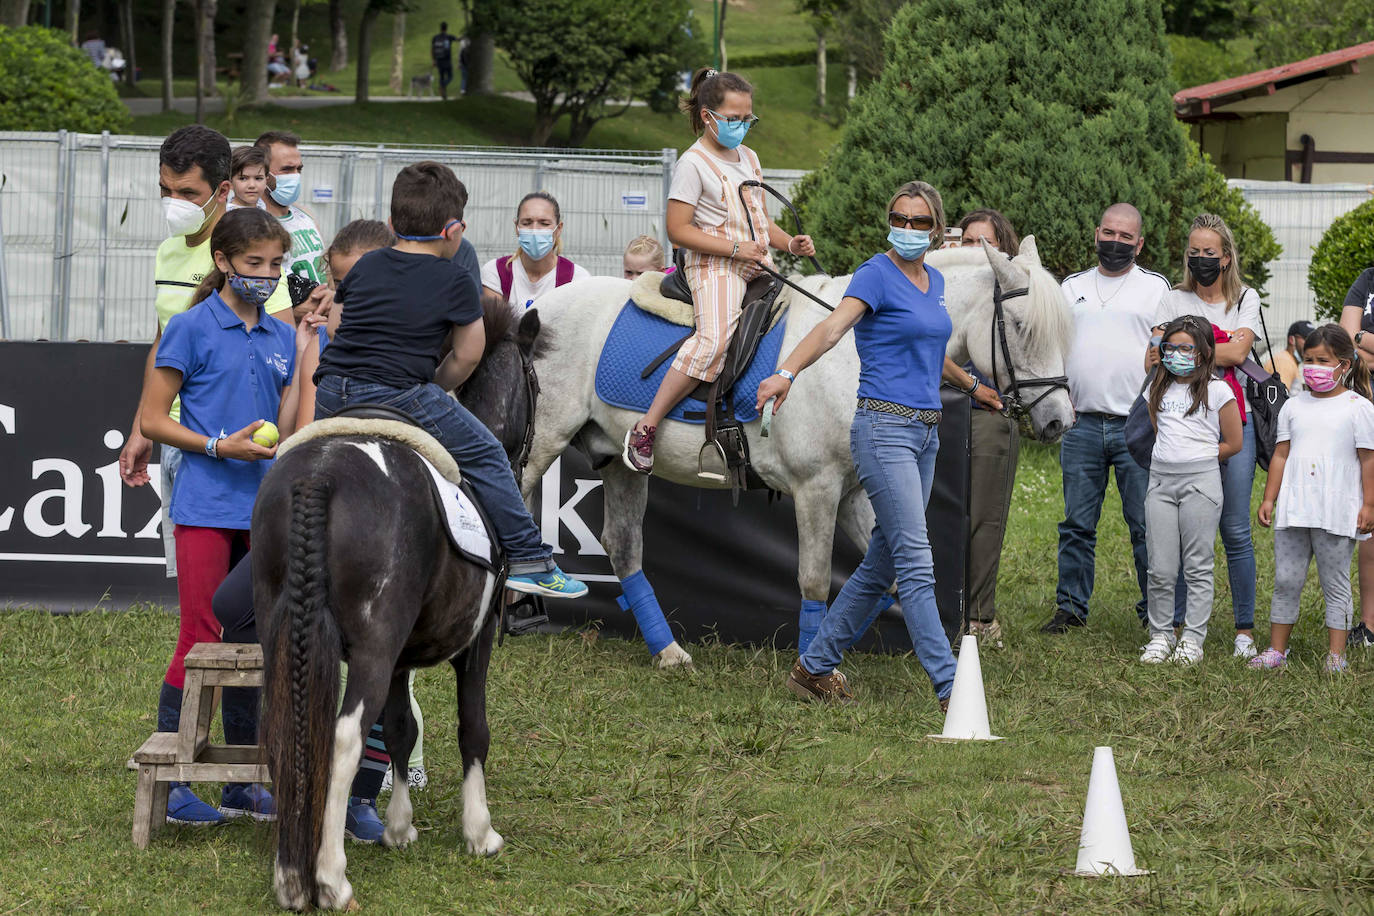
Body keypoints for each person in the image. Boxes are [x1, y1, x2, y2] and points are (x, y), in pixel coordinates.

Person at [314, 161, 588, 607]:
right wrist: (436, 386)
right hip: (401, 393)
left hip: (331, 390)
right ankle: (529, 560)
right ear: (454, 231)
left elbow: (335, 328)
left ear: (390, 224)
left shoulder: (364, 267)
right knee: (486, 456)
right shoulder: (457, 280)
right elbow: (468, 353)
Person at [759, 181, 978, 710]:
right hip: (882, 430)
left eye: (918, 222)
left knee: (883, 561)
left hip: (926, 433)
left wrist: (974, 387)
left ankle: (813, 668)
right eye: (898, 218)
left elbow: (928, 346)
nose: (906, 229)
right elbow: (832, 329)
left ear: (936, 229)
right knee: (914, 561)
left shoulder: (935, 282)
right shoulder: (875, 274)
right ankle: (951, 689)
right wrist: (787, 371)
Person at [140, 208, 312, 824]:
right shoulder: (189, 327)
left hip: (263, 510)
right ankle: (176, 779)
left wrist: (311, 344)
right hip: (205, 507)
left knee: (253, 638)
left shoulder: (282, 336)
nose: (265, 277)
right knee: (200, 635)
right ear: (223, 262)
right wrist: (218, 446)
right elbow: (153, 420)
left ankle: (240, 784)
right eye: (253, 264)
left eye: (275, 266)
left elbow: (291, 427)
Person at [117, 126, 293, 583]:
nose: (172, 202)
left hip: (242, 450)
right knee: (200, 602)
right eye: (165, 190)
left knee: (250, 600)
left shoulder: (252, 257)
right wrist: (142, 426)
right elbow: (162, 344)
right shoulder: (167, 251)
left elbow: (283, 350)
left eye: (186, 192)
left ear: (222, 190)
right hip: (180, 437)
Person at [623, 68, 816, 474]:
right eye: (734, 119)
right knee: (714, 340)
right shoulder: (692, 164)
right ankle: (647, 425)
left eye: (748, 119)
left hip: (754, 260)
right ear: (708, 116)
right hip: (711, 265)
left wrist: (789, 244)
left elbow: (761, 220)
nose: (742, 127)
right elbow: (677, 230)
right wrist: (733, 248)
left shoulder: (750, 157)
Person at [1042, 203, 1170, 634]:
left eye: (1125, 236)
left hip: (1136, 425)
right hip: (1081, 424)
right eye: (1109, 233)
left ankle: (1156, 611)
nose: (1116, 242)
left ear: (1140, 243)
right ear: (1097, 232)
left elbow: (1168, 354)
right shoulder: (1071, 286)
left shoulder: (1156, 289)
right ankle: (1071, 609)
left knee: (1144, 524)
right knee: (1077, 524)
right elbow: (1053, 347)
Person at [1148, 213, 1261, 658]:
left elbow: (1240, 351)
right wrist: (1216, 345)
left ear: (1226, 257)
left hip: (1235, 419)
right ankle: (1174, 629)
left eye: (1209, 253)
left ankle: (1244, 631)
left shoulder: (1245, 298)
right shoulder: (1171, 297)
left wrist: (1188, 346)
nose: (1200, 260)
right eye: (1193, 253)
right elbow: (1153, 357)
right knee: (1175, 535)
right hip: (1180, 426)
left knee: (1234, 529)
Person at [1253, 324, 1374, 673]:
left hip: (1336, 512)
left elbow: (1368, 460)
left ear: (1345, 365)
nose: (1314, 367)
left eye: (1324, 360)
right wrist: (1269, 499)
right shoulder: (1293, 406)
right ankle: (1277, 651)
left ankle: (1336, 657)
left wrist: (1369, 504)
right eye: (1309, 359)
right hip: (1295, 510)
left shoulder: (1359, 408)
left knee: (1335, 582)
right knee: (1286, 580)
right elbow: (1280, 454)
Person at [1139, 317, 1242, 665]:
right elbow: (1157, 430)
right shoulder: (1156, 388)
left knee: (1197, 565)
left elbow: (1234, 442)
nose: (1176, 354)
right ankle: (1161, 635)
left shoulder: (1218, 391)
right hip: (1160, 483)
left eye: (1186, 348)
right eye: (1170, 348)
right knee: (1161, 568)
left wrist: (1198, 458)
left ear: (1203, 353)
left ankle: (1193, 639)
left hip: (1201, 483)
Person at [956, 209, 1020, 647]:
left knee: (984, 515)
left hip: (990, 414)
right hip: (936, 409)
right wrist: (966, 382)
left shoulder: (1013, 298)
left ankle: (980, 617)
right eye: (966, 242)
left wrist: (979, 388)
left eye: (985, 244)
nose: (974, 252)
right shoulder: (935, 288)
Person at [1337, 269, 1374, 648]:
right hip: (1368, 406)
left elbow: (1356, 337)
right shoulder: (1367, 279)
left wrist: (1364, 337)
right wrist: (1358, 342)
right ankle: (1369, 626)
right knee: (1371, 521)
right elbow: (1347, 344)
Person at [255, 131, 327, 316]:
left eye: (299, 169)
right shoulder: (252, 224)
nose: (295, 176)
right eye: (287, 169)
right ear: (261, 172)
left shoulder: (306, 215)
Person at [480, 191, 590, 310]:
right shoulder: (496, 272)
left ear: (558, 229)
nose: (534, 230)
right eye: (527, 223)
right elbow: (495, 326)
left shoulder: (576, 278)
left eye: (544, 223)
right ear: (516, 228)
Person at [1266, 320, 1315, 393]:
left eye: (1312, 340)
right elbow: (1280, 398)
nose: (1311, 344)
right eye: (1307, 339)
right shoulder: (1284, 362)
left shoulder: (1290, 361)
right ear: (1292, 340)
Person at [227, 145, 268, 211]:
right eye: (243, 178)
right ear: (230, 182)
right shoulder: (228, 215)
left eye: (258, 178)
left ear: (266, 181)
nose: (252, 185)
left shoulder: (262, 205)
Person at [431, 21, 456, 100]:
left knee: (441, 77)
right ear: (446, 28)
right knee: (450, 76)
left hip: (439, 61)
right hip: (447, 61)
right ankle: (443, 86)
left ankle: (443, 95)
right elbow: (458, 39)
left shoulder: (435, 38)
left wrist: (434, 60)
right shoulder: (449, 37)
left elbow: (432, 49)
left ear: (440, 28)